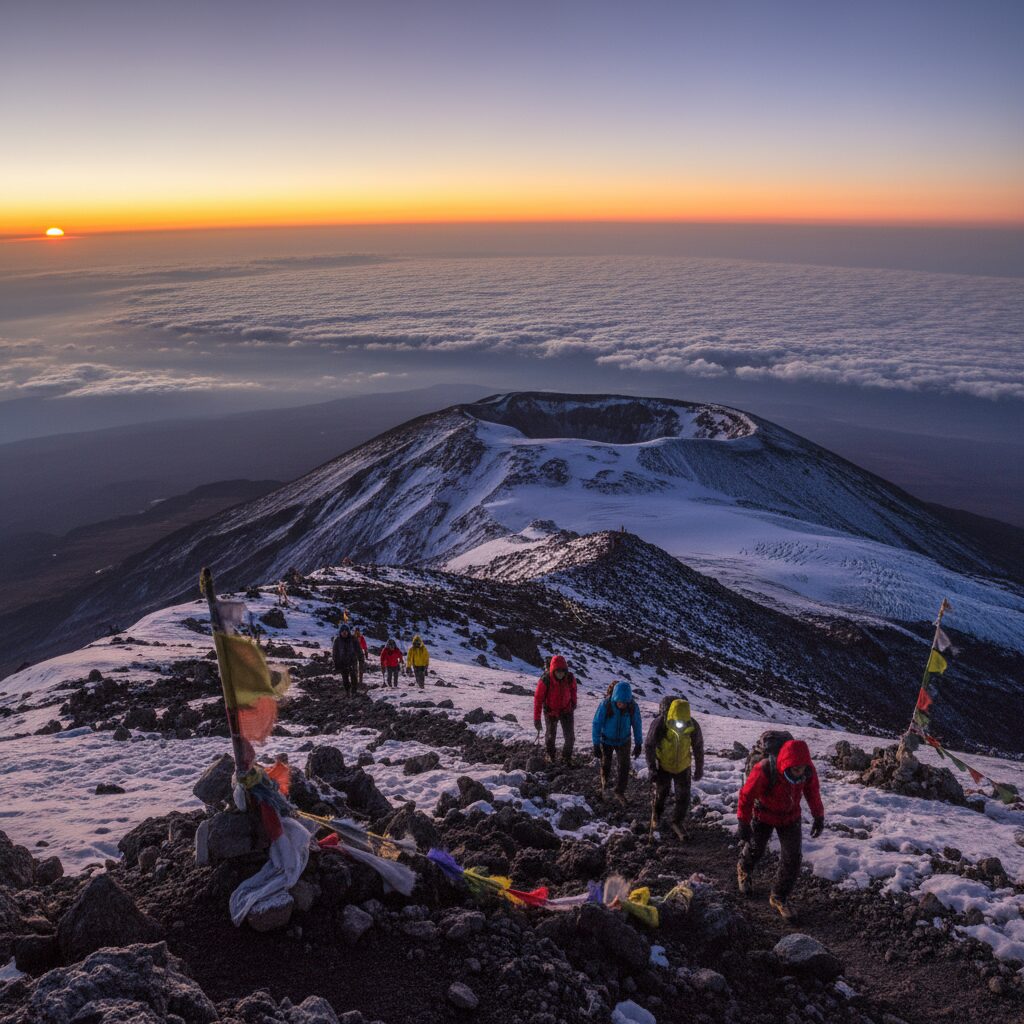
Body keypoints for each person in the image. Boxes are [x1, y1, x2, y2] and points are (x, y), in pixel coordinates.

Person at [736, 738, 825, 921]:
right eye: (796, 769)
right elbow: (746, 795)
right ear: (787, 764)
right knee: (756, 849)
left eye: (802, 769)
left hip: (790, 817)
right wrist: (743, 823)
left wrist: (818, 816)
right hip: (764, 815)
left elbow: (812, 791)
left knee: (792, 858)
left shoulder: (807, 771)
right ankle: (744, 868)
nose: (800, 773)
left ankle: (779, 896)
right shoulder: (765, 769)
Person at [644, 696, 704, 839]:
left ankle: (677, 821)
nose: (681, 724)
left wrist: (699, 768)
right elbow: (649, 745)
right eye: (678, 720)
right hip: (664, 765)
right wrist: (652, 768)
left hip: (683, 766)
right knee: (661, 793)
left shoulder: (692, 725)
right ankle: (656, 816)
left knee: (683, 797)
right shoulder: (660, 723)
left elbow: (698, 747)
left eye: (684, 721)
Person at [592, 681, 642, 804]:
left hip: (624, 740)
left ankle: (619, 791)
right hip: (607, 740)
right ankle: (604, 785)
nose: (622, 705)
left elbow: (637, 725)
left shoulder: (632, 707)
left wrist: (638, 743)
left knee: (624, 767)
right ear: (615, 698)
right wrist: (596, 743)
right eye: (620, 702)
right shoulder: (606, 704)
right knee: (606, 763)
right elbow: (596, 723)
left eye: (625, 702)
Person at [533, 655, 578, 765]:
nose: (561, 674)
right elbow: (538, 700)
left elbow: (573, 690)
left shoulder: (570, 678)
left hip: (566, 710)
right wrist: (537, 719)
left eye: (563, 671)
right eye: (558, 671)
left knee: (570, 737)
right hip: (551, 711)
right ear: (553, 670)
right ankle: (551, 755)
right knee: (550, 736)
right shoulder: (545, 680)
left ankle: (566, 757)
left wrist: (573, 703)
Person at [332, 623, 365, 696]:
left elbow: (359, 650)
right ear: (340, 632)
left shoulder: (353, 639)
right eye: (343, 632)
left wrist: (361, 660)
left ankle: (354, 691)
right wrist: (336, 663)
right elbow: (335, 653)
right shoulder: (337, 640)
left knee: (354, 677)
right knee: (345, 678)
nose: (344, 633)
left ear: (348, 632)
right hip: (342, 662)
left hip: (352, 661)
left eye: (346, 631)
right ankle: (347, 691)